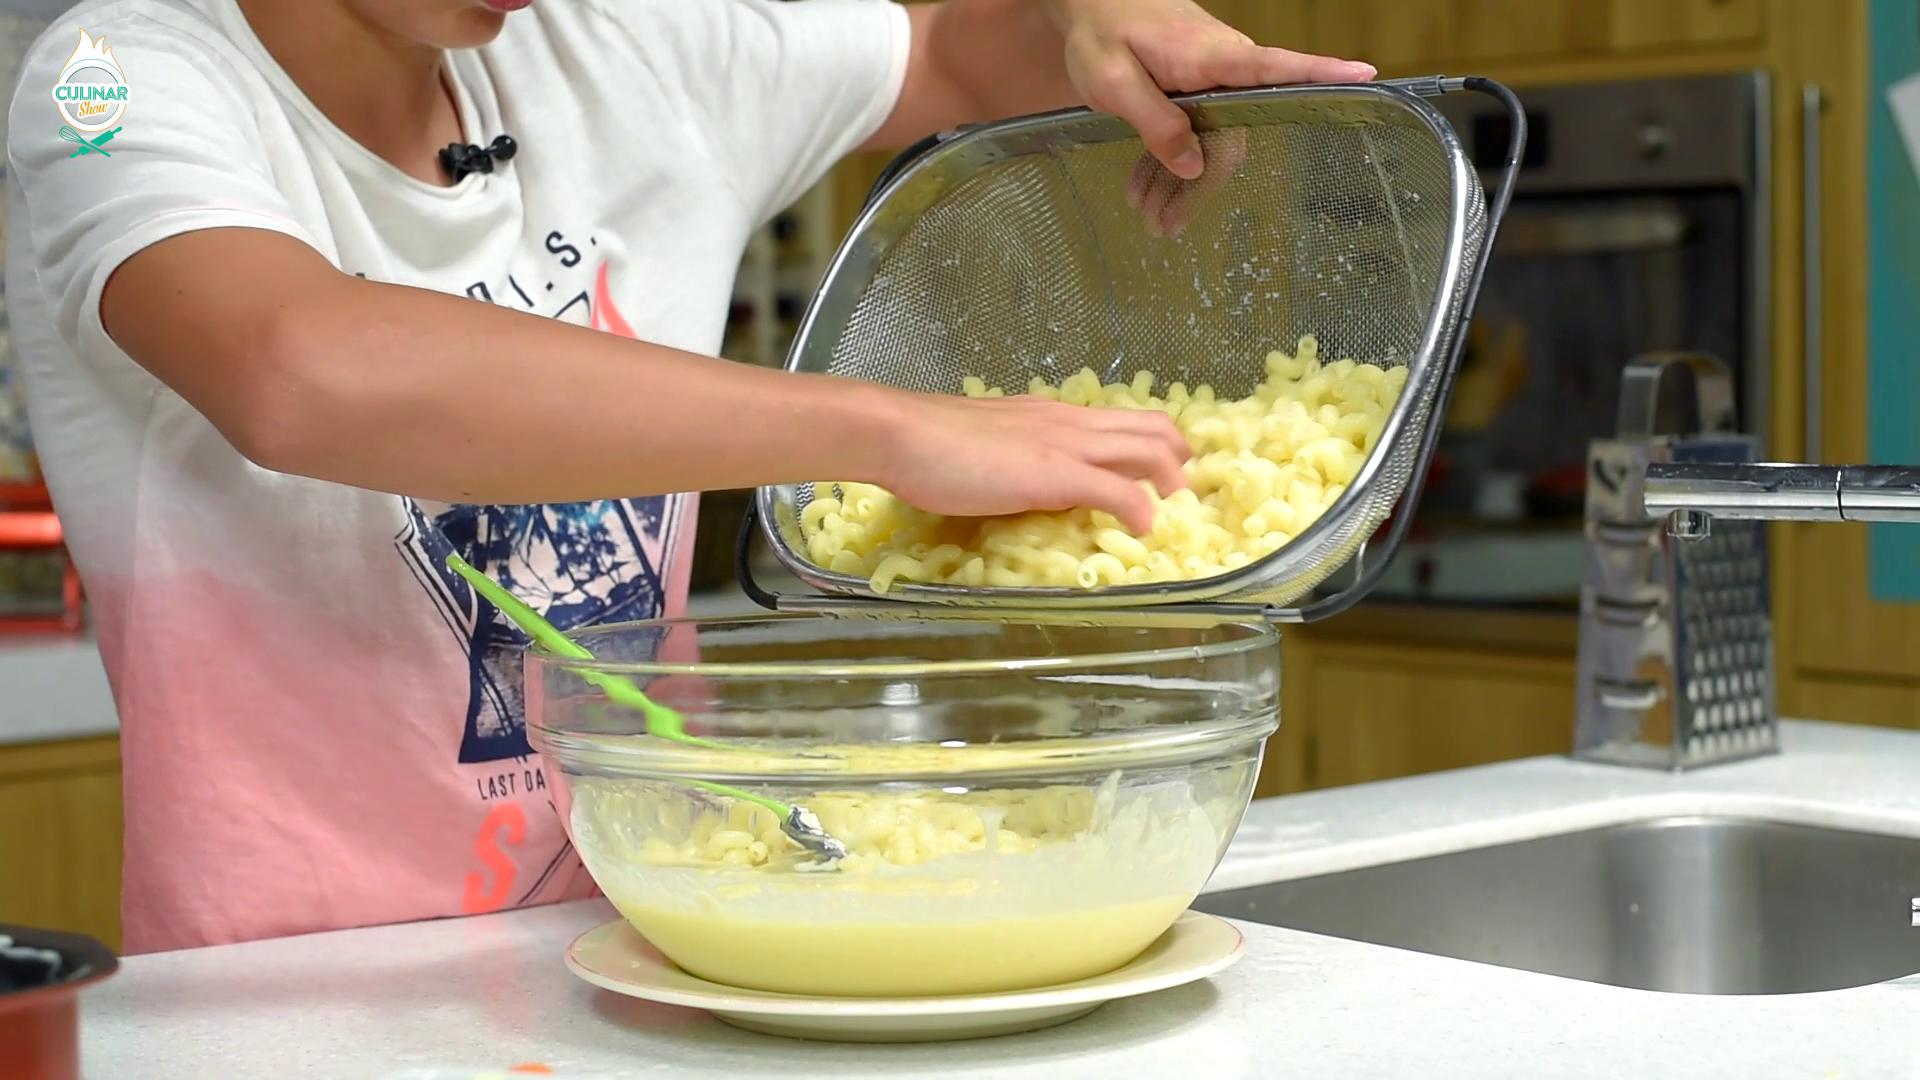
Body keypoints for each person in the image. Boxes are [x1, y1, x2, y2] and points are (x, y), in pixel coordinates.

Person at [6, 0, 1373, 953]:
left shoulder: (627, 49)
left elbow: (959, 50)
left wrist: (1100, 13)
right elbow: (298, 369)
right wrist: (878, 428)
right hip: (296, 988)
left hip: (667, 927)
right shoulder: (102, 73)